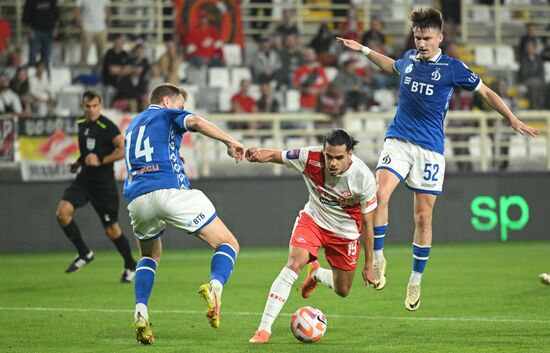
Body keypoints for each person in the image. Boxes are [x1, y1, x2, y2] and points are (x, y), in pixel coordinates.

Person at [337, 7, 540, 311]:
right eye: (418, 37)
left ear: (440, 38)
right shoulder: (408, 59)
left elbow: (485, 92)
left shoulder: (452, 68)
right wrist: (365, 50)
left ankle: (416, 279)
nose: (421, 43)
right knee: (379, 194)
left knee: (423, 216)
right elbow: (392, 66)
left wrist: (511, 117)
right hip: (399, 140)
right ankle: (378, 257)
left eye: (427, 38)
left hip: (430, 149)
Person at [123, 83, 243, 345]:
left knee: (150, 255)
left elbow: (147, 155)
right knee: (227, 243)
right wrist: (231, 141)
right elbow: (197, 122)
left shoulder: (132, 125)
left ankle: (141, 310)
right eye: (180, 105)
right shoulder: (167, 114)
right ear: (166, 101)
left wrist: (174, 156)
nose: (182, 110)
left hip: (137, 199)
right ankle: (215, 288)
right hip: (169, 192)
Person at [247, 128, 378, 344]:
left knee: (342, 290)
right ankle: (263, 330)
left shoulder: (363, 178)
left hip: (345, 232)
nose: (332, 163)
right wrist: (255, 155)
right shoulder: (309, 157)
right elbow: (274, 155)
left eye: (338, 157)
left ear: (350, 155)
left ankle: (316, 274)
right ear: (323, 151)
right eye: (329, 156)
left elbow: (368, 224)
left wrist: (369, 264)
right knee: (294, 263)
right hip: (313, 220)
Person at [55, 90, 137, 283]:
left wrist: (101, 159)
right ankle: (84, 253)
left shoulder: (107, 127)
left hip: (103, 185)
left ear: (100, 106)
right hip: (84, 180)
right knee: (62, 213)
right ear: (83, 107)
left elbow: (123, 150)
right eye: (87, 106)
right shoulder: (81, 124)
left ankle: (130, 265)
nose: (91, 110)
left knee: (111, 230)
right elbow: (87, 152)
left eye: (94, 106)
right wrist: (79, 161)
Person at [74, 0, 111, 68]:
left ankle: (101, 70)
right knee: (84, 51)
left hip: (101, 27)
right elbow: (77, 9)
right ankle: (82, 68)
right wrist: (79, 22)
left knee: (102, 52)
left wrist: (109, 21)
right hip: (87, 27)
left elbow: (107, 8)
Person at [22, 0, 59, 68]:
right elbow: (25, 16)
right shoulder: (30, 1)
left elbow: (56, 14)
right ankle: (32, 74)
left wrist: (56, 28)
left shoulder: (53, 1)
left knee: (46, 57)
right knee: (33, 56)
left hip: (49, 32)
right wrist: (29, 30)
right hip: (35, 31)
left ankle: (44, 76)